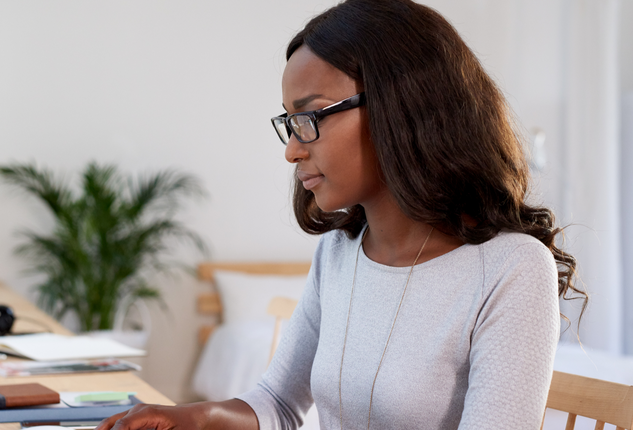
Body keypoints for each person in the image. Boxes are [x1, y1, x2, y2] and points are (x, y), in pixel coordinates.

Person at [97, 0, 586, 429]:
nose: (291, 151)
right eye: (289, 123)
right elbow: (278, 403)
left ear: (400, 107)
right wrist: (192, 415)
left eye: (308, 118)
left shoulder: (511, 269)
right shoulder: (338, 253)